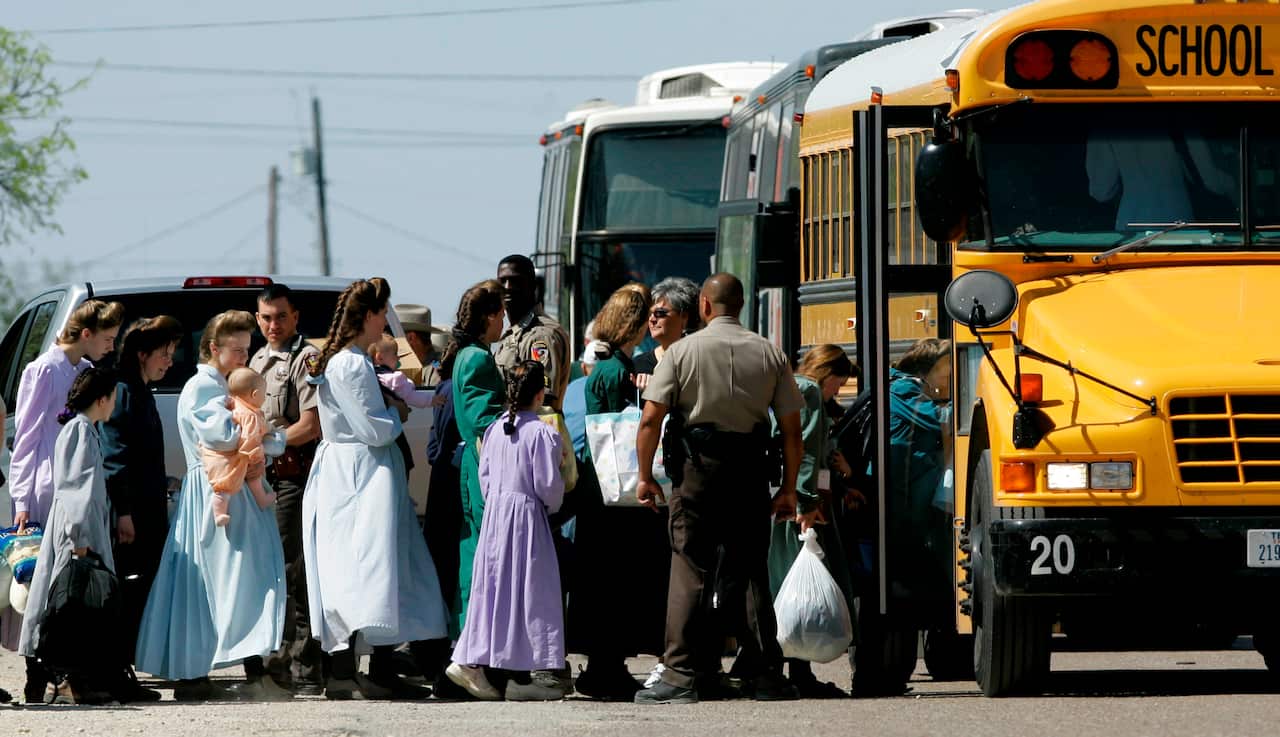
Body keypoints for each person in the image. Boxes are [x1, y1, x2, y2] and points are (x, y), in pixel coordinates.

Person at [632, 273, 804, 705]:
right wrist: (787, 487)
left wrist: (644, 475)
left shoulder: (682, 351)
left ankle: (681, 673)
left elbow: (651, 419)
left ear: (704, 306)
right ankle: (763, 672)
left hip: (696, 469)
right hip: (749, 468)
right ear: (740, 306)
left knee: (690, 566)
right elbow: (791, 430)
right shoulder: (770, 352)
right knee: (748, 569)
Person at [302, 277, 448, 700]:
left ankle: (372, 667)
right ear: (367, 315)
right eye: (383, 313)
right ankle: (350, 671)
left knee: (375, 567)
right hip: (359, 474)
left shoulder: (347, 360)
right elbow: (373, 428)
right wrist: (397, 408)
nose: (386, 322)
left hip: (357, 471)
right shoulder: (349, 363)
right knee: (364, 567)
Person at [135, 310, 290, 702]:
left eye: (246, 349)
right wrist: (254, 425)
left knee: (237, 579)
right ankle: (204, 670)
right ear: (213, 348)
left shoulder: (224, 387)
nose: (243, 357)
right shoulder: (204, 387)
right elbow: (222, 437)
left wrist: (260, 433)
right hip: (216, 490)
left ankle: (247, 667)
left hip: (230, 488)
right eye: (236, 349)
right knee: (226, 579)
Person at [7, 298, 124, 703]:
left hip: (77, 490)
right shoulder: (42, 370)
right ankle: (38, 673)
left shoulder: (89, 374)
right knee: (38, 582)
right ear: (86, 334)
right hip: (44, 486)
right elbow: (25, 437)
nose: (111, 345)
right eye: (107, 338)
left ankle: (68, 670)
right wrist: (22, 498)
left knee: (67, 585)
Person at [448, 360, 567, 702]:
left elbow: (485, 479)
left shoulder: (495, 429)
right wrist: (552, 503)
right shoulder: (542, 432)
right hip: (527, 517)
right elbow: (548, 485)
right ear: (540, 392)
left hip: (497, 517)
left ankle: (482, 658)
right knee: (531, 590)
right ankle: (532, 666)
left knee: (495, 589)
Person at [571, 284, 667, 701]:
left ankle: (604, 664)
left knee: (603, 580)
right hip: (615, 492)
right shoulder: (617, 370)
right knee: (614, 580)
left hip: (600, 491)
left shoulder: (606, 365)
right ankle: (606, 666)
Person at [766, 344, 857, 699]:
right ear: (828, 373)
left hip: (778, 497)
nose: (837, 392)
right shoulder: (810, 392)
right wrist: (806, 500)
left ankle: (783, 667)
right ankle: (797, 671)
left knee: (783, 584)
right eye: (839, 384)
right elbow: (802, 449)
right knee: (795, 584)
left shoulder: (785, 386)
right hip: (799, 504)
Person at [247, 283, 324, 694]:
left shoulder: (306, 358)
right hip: (261, 477)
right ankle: (274, 659)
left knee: (295, 569)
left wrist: (271, 443)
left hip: (293, 476)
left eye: (279, 316)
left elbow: (312, 423)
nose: (272, 325)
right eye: (265, 317)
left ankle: (305, 667)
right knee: (268, 568)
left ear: (295, 316)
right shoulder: (258, 359)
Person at [101, 315, 182, 681]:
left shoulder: (140, 390)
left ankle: (126, 669)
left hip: (148, 507)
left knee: (142, 587)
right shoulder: (124, 391)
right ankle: (117, 669)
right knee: (128, 589)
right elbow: (114, 457)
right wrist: (124, 513)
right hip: (132, 514)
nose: (169, 361)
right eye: (163, 354)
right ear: (141, 353)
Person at [442, 280, 507, 643]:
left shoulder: (471, 353)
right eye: (501, 315)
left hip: (475, 461)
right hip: (481, 462)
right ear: (489, 316)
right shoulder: (478, 357)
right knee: (481, 552)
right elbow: (483, 417)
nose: (503, 323)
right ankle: (472, 636)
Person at [888, 338, 954, 610]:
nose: (949, 373)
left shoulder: (913, 389)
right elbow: (940, 418)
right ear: (927, 368)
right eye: (946, 366)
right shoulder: (904, 390)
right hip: (902, 491)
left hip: (911, 488)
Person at [495, 255, 570, 411]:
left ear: (533, 286)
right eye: (502, 281)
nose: (507, 287)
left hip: (531, 432)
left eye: (515, 281)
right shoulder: (513, 333)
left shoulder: (541, 335)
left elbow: (543, 402)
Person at [204, 368, 276, 527]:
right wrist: (253, 457)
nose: (265, 398)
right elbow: (251, 438)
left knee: (224, 486)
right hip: (245, 456)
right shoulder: (250, 415)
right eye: (265, 394)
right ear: (255, 395)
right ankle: (262, 499)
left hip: (224, 458)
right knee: (254, 478)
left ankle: (220, 513)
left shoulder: (233, 405)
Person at [632, 276, 701, 383]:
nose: (652, 319)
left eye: (659, 313)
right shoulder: (637, 365)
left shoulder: (701, 362)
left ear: (684, 317)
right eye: (649, 313)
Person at [370, 336, 434, 409]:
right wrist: (431, 400)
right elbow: (410, 396)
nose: (398, 358)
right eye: (395, 354)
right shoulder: (394, 379)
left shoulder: (370, 375)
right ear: (380, 358)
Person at [395, 303, 446, 389]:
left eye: (396, 336)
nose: (394, 342)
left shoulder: (436, 366)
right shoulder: (431, 364)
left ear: (411, 338)